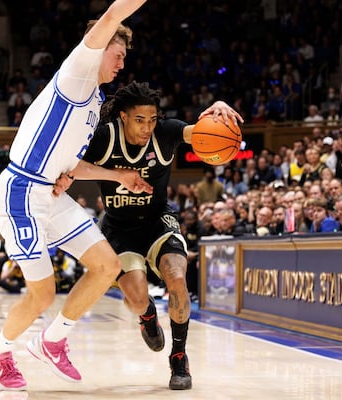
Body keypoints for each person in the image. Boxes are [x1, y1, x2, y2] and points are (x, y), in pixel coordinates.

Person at [0, 0, 152, 390]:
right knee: (42, 295)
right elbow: (113, 15)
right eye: (119, 53)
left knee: (107, 266)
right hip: (20, 193)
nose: (122, 64)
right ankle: (0, 348)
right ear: (101, 45)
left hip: (50, 194)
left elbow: (71, 167)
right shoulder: (77, 73)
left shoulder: (94, 102)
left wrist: (118, 176)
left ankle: (53, 341)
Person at [55, 81, 243, 389]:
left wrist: (220, 106)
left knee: (177, 279)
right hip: (119, 227)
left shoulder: (165, 132)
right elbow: (73, 165)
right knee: (138, 296)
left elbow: (199, 132)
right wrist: (92, 177)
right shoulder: (104, 137)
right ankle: (147, 317)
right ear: (124, 117)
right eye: (140, 120)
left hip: (158, 220)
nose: (147, 127)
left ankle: (179, 357)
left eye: (152, 119)